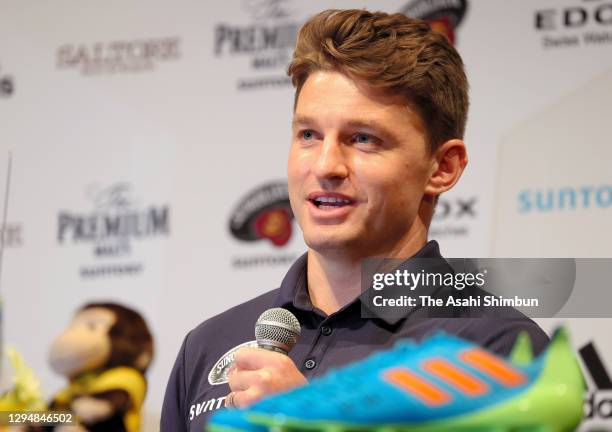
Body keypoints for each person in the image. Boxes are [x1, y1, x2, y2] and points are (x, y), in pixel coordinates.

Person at [161, 9, 548, 431]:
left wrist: (308, 417)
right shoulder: (208, 345)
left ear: (442, 168)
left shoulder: (498, 350)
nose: (326, 165)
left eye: (363, 139)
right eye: (308, 135)